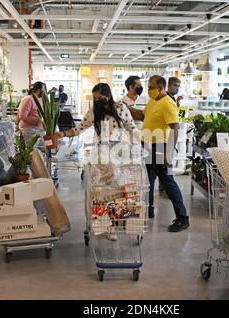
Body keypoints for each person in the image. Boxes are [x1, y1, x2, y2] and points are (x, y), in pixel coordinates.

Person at [128, 75, 189, 232]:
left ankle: (182, 218)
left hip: (161, 147)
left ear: (160, 88)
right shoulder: (154, 101)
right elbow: (142, 116)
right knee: (148, 179)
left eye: (150, 87)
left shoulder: (168, 103)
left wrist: (168, 153)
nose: (148, 90)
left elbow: (174, 128)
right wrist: (127, 108)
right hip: (150, 145)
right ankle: (148, 209)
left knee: (167, 181)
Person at [55, 83, 139, 143]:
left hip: (121, 152)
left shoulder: (120, 108)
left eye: (99, 98)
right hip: (102, 152)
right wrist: (63, 133)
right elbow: (79, 128)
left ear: (108, 96)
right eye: (94, 99)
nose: (96, 101)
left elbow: (132, 128)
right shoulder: (93, 111)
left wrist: (137, 146)